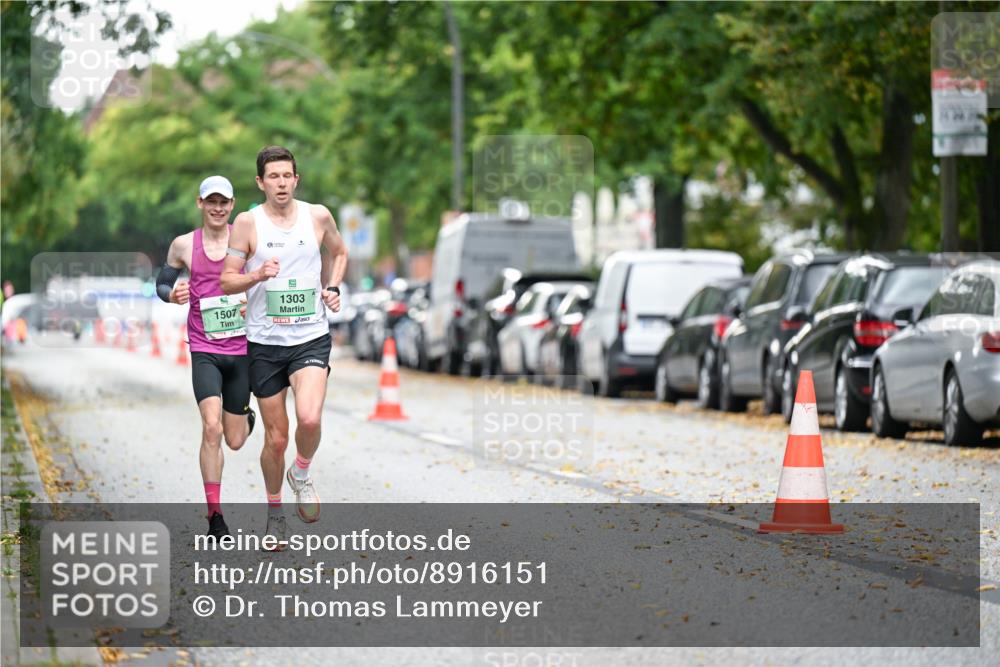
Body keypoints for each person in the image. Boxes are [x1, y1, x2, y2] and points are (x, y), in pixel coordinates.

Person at [221, 146, 348, 548]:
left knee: (309, 419)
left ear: (296, 179)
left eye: (287, 176)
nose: (281, 183)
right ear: (260, 182)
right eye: (273, 176)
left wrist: (332, 287)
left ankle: (302, 473)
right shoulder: (247, 223)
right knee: (276, 439)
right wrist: (256, 275)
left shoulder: (318, 216)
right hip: (264, 342)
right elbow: (227, 279)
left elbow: (339, 252)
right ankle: (275, 514)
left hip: (310, 335)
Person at [156, 175, 256, 539]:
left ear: (232, 205)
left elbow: (265, 279)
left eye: (223, 202)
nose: (217, 208)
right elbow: (162, 283)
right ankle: (215, 516)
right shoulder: (184, 245)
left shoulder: (245, 241)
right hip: (204, 349)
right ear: (200, 203)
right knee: (211, 427)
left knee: (235, 440)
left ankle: (245, 418)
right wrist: (172, 295)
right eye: (211, 201)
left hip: (242, 349)